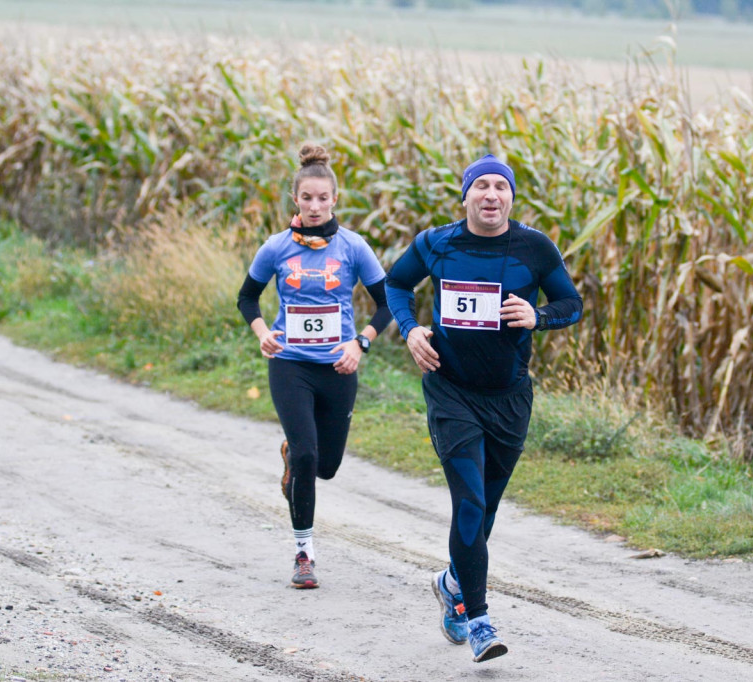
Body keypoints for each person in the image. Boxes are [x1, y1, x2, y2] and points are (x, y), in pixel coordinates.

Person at [385, 154, 583, 662]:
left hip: (509, 398)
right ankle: (477, 620)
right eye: (481, 186)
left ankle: (453, 582)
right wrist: (410, 330)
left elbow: (572, 304)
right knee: (470, 503)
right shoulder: (436, 243)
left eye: (501, 187)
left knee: (486, 510)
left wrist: (537, 316)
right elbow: (396, 284)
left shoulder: (535, 247)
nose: (491, 195)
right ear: (466, 195)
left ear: (511, 197)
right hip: (450, 391)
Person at [237, 143, 391, 589]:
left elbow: (389, 304)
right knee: (308, 455)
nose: (315, 206)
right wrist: (262, 332)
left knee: (325, 467)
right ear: (295, 199)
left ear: (335, 199)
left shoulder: (353, 247)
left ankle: (293, 458)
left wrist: (360, 343)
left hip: (339, 368)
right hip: (290, 365)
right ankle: (303, 554)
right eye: (307, 198)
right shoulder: (276, 247)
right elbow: (247, 298)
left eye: (323, 198)